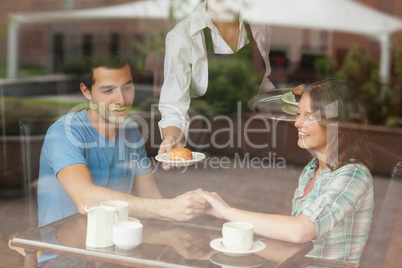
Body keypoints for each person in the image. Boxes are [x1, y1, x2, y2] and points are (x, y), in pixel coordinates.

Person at [37, 47, 206, 263]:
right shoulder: (64, 132)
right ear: (86, 91)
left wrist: (188, 208)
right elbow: (86, 199)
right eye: (108, 91)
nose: (121, 99)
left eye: (127, 88)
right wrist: (168, 209)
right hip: (67, 256)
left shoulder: (131, 132)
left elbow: (151, 199)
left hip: (117, 249)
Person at [200, 77, 374, 263]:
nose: (297, 123)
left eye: (309, 116)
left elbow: (299, 231)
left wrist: (228, 212)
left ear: (336, 123)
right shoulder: (311, 169)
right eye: (299, 114)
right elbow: (294, 242)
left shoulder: (353, 174)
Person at [158, 0, 275, 156]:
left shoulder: (259, 25)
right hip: (207, 154)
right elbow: (174, 107)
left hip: (257, 145)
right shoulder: (183, 36)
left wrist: (286, 108)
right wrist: (171, 138)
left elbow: (262, 82)